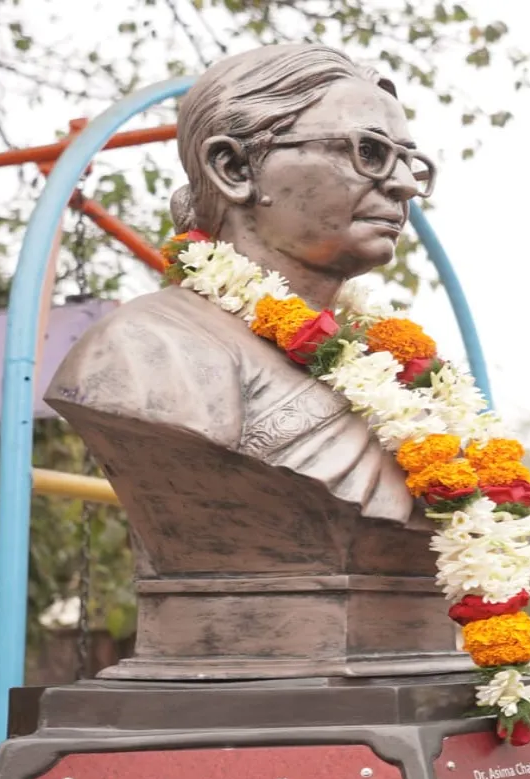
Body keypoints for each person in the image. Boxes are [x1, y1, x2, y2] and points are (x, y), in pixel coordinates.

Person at [44, 44, 461, 678]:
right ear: (235, 167)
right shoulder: (145, 355)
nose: (402, 185)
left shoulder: (396, 369)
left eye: (411, 163)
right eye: (368, 152)